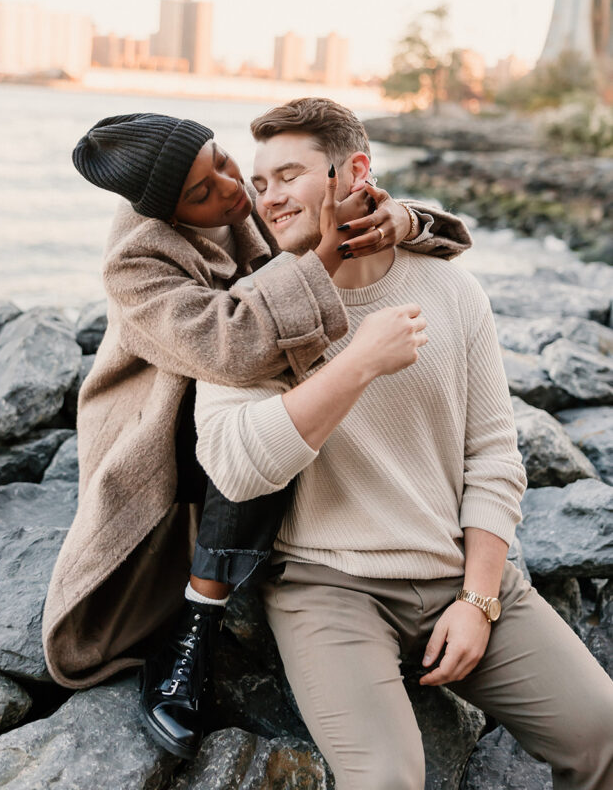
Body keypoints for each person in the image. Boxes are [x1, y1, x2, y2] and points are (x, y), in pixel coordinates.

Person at [194, 98, 613, 790]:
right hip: (326, 585)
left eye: (289, 176)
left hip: (460, 571)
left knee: (602, 733)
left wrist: (478, 600)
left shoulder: (449, 287)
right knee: (385, 778)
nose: (267, 198)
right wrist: (359, 361)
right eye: (260, 182)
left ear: (353, 171)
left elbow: (494, 455)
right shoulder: (253, 308)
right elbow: (238, 468)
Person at [41, 108, 472, 761]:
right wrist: (323, 256)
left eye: (219, 157)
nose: (230, 188)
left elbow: (335, 211)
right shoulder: (138, 256)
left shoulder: (235, 190)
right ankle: (195, 625)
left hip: (260, 377)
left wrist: (395, 219)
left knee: (286, 396)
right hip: (170, 422)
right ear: (167, 211)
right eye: (201, 192)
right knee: (250, 418)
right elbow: (230, 347)